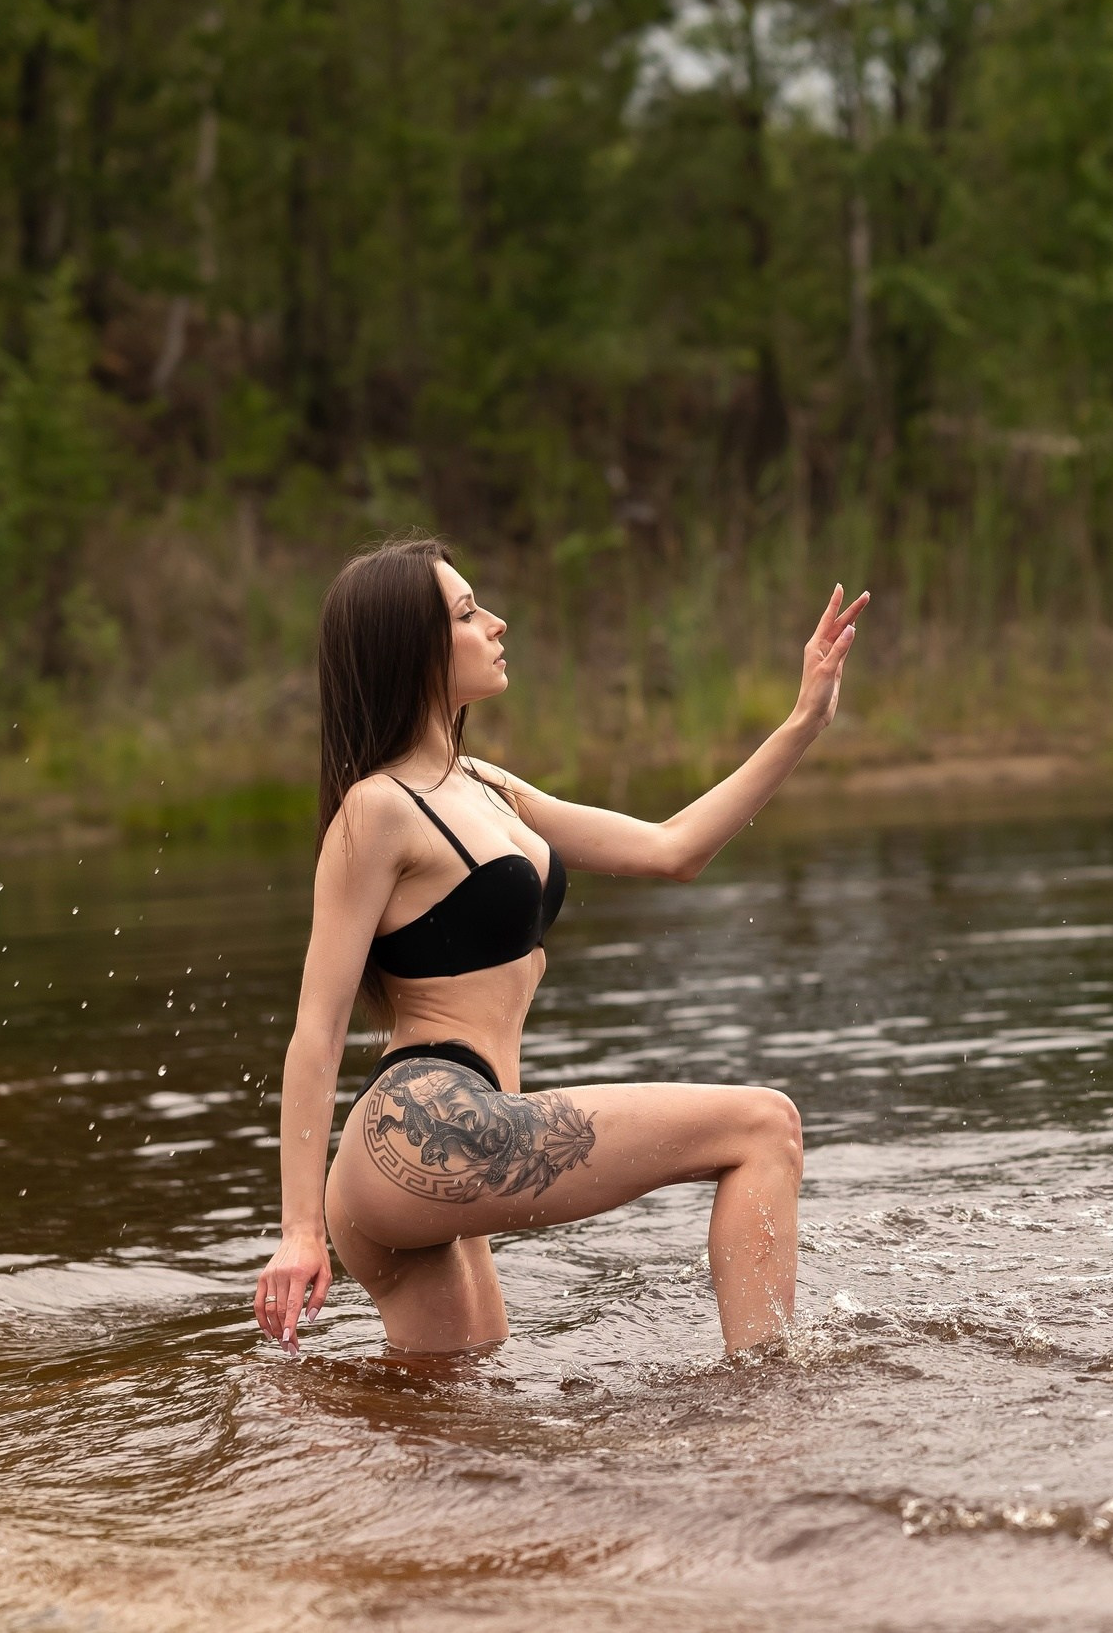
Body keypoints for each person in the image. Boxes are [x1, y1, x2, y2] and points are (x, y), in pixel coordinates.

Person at [252, 534, 866, 1355]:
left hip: (462, 1138)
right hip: (421, 1123)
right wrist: (298, 1231)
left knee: (457, 1421)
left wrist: (802, 723)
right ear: (415, 648)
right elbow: (316, 1031)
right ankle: (762, 1422)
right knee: (763, 1127)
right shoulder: (378, 809)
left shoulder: (489, 787)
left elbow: (671, 848)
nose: (497, 623)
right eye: (469, 613)